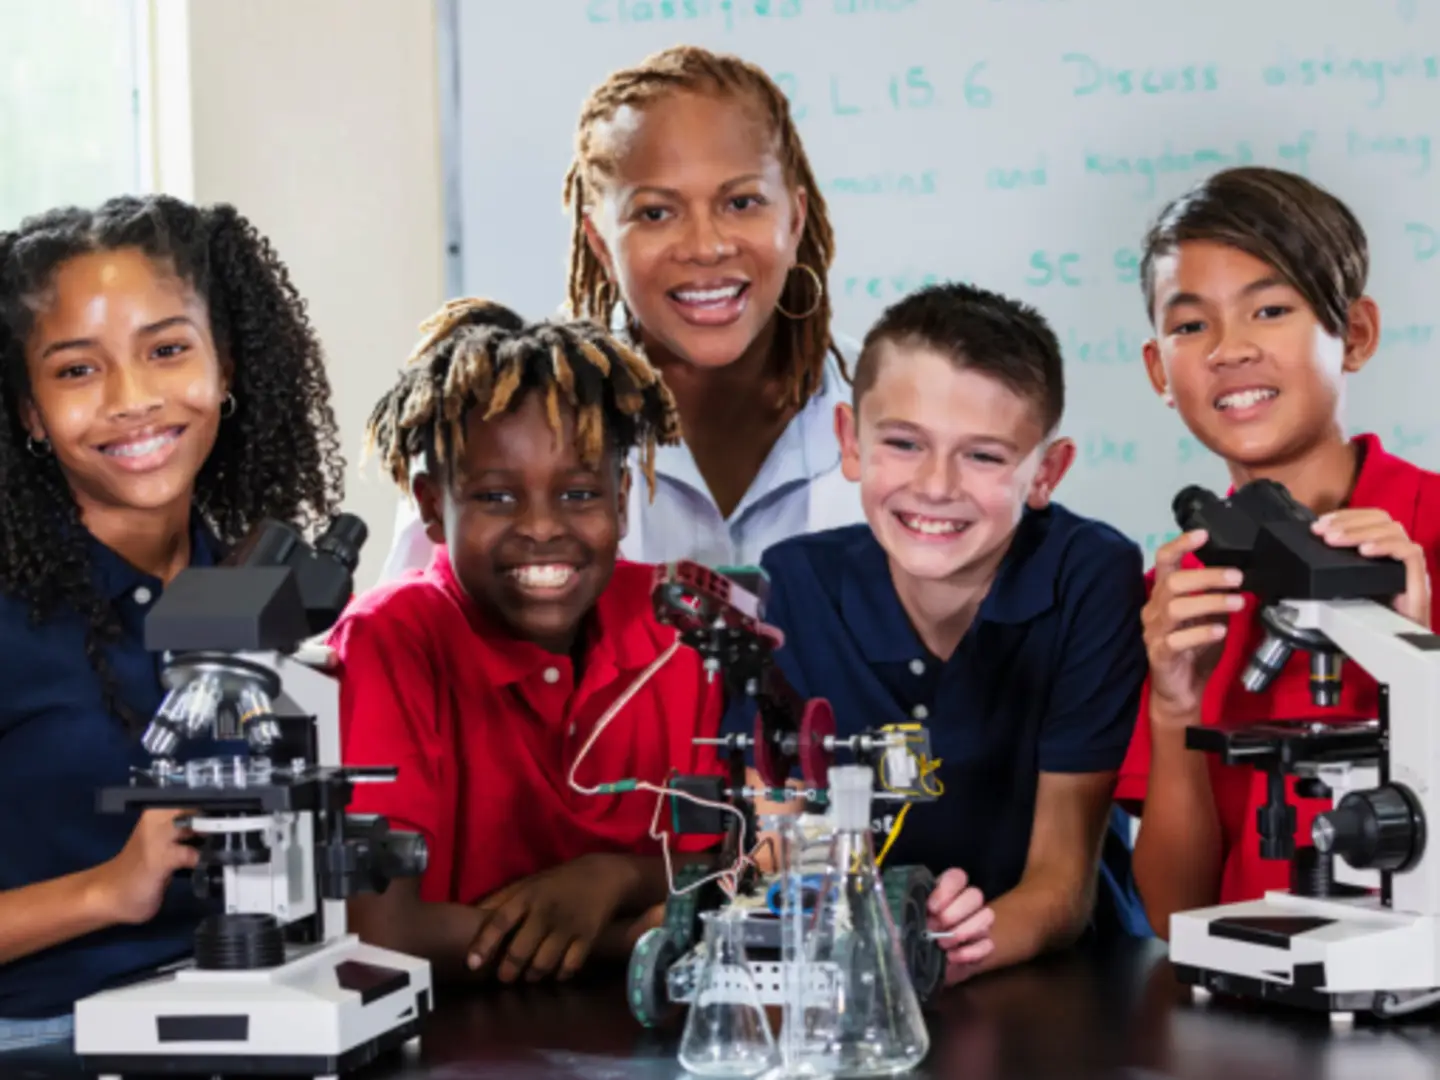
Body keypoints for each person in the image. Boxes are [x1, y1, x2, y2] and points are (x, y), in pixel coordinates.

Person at [726, 282, 1149, 987]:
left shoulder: (1091, 577)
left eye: (983, 456)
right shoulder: (795, 585)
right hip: (847, 975)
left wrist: (923, 953)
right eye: (903, 443)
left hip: (1059, 990)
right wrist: (837, 943)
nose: (935, 485)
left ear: (1045, 472)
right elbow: (776, 848)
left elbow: (1061, 890)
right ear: (849, 442)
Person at [0, 195, 344, 1051]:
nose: (133, 399)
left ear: (224, 366)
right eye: (78, 370)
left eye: (166, 351)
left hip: (249, 1014)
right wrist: (110, 889)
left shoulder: (247, 583)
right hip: (40, 1037)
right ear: (30, 414)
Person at [334, 298, 726, 986]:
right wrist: (628, 941)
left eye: (578, 495)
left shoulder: (679, 626)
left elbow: (716, 855)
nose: (542, 528)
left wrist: (608, 879)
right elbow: (381, 935)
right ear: (432, 505)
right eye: (495, 497)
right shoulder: (389, 641)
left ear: (622, 496)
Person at [380, 44, 862, 580]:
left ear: (795, 220)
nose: (706, 246)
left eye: (741, 203)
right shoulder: (489, 414)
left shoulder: (893, 411)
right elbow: (409, 634)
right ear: (601, 246)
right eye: (655, 212)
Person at [1115, 166, 1440, 938]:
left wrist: (1418, 658)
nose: (1230, 350)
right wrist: (1174, 705)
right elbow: (1176, 914)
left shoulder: (1428, 525)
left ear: (1353, 334)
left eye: (1269, 309)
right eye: (1190, 326)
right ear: (1161, 371)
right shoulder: (1178, 594)